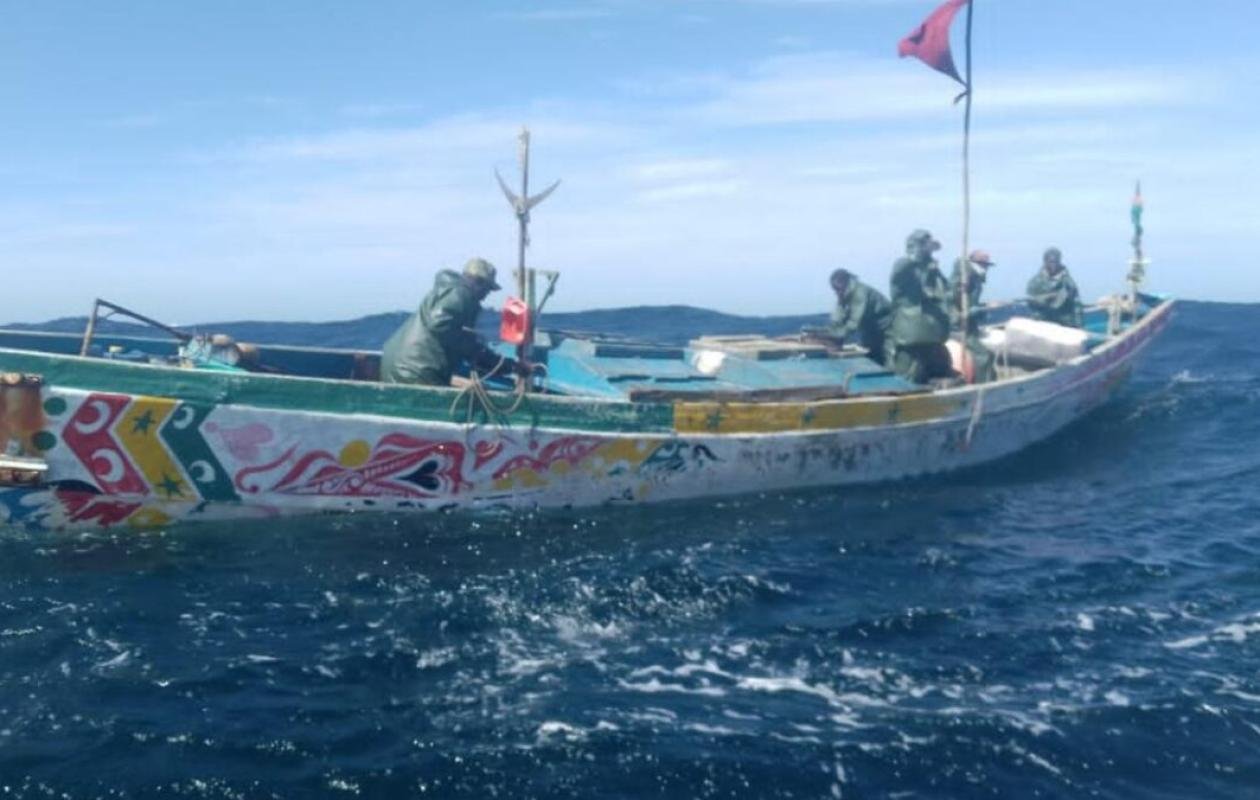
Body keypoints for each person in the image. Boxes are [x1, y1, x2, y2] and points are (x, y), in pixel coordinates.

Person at [381, 258, 518, 386]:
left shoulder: (446, 291)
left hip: (396, 367)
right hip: (416, 372)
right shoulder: (462, 294)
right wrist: (506, 365)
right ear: (478, 282)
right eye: (487, 288)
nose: (487, 294)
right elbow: (440, 325)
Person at [888, 229, 954, 383]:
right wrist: (918, 253)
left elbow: (946, 291)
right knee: (909, 378)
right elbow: (900, 270)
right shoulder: (904, 266)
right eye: (924, 245)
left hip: (933, 334)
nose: (929, 251)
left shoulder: (932, 270)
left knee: (942, 372)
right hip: (911, 336)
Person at [949, 249, 997, 383]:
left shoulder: (975, 279)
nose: (986, 269)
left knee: (989, 354)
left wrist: (983, 307)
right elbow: (952, 303)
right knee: (983, 356)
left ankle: (989, 380)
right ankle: (983, 387)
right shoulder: (963, 279)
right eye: (984, 265)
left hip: (969, 325)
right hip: (957, 327)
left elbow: (969, 302)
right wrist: (969, 312)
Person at [828, 268, 892, 365]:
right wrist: (831, 331)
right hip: (870, 331)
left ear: (845, 283)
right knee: (870, 360)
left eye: (837, 288)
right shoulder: (845, 294)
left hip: (888, 330)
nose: (836, 292)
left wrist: (836, 335)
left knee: (889, 361)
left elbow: (854, 322)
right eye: (834, 289)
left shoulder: (860, 293)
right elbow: (838, 318)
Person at [1026, 247, 1084, 328]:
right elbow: (1029, 302)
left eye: (1057, 261)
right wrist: (1044, 298)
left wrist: (1079, 326)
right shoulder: (1036, 282)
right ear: (1045, 262)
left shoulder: (1067, 282)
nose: (1054, 265)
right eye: (1051, 262)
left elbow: (1076, 305)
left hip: (1064, 323)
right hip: (1042, 323)